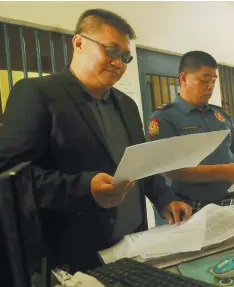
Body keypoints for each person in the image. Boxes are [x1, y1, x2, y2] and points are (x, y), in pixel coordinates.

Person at [0, 9, 191, 272]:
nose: (119, 63)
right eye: (111, 51)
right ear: (79, 43)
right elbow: (12, 177)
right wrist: (83, 188)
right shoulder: (37, 94)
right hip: (76, 255)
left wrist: (165, 199)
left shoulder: (127, 105)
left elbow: (141, 163)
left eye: (125, 57)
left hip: (134, 246)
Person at [148, 51, 234, 215]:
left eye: (214, 81)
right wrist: (226, 172)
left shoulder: (220, 115)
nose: (210, 87)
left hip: (233, 206)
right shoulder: (165, 117)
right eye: (204, 80)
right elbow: (173, 170)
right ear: (184, 78)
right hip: (193, 211)